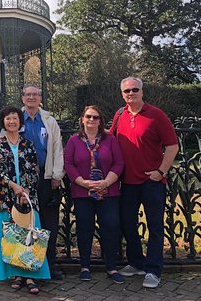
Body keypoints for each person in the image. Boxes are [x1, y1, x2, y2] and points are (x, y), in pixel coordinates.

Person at [112, 77, 178, 289]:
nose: (130, 93)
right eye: (126, 91)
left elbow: (172, 146)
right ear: (122, 94)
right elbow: (110, 140)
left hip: (152, 182)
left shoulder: (156, 115)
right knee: (128, 224)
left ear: (142, 91)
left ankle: (153, 270)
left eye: (134, 90)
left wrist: (161, 171)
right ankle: (136, 262)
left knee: (155, 227)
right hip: (127, 182)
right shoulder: (120, 114)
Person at [64, 106, 125, 283]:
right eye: (88, 117)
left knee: (111, 226)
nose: (91, 120)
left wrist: (106, 182)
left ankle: (112, 267)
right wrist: (82, 182)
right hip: (83, 191)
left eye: (95, 117)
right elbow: (68, 164)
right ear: (82, 119)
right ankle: (85, 266)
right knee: (84, 228)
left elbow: (119, 163)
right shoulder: (74, 140)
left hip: (108, 191)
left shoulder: (110, 139)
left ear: (100, 120)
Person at [0, 105, 46, 295]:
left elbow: (34, 170)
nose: (12, 121)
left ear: (19, 121)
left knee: (28, 235)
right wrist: (12, 186)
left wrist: (26, 192)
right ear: (3, 122)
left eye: (15, 118)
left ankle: (30, 274)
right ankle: (16, 274)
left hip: (27, 198)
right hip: (6, 197)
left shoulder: (28, 144)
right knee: (11, 236)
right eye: (8, 118)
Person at [20, 85, 64, 279]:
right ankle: (25, 265)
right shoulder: (15, 118)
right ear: (22, 98)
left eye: (35, 95)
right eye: (28, 95)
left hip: (45, 178)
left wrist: (56, 175)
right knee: (25, 223)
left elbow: (57, 148)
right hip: (23, 182)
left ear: (40, 98)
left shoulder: (49, 121)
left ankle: (49, 263)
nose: (31, 98)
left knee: (48, 224)